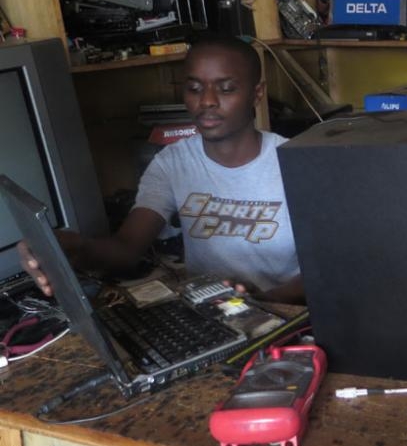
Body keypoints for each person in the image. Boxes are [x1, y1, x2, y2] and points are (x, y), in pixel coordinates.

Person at [19, 34, 303, 305]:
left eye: (226, 88)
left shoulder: (295, 162)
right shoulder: (173, 162)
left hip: (286, 319)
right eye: (194, 88)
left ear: (257, 93)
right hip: (213, 316)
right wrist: (71, 247)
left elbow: (335, 266)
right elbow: (127, 248)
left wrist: (263, 301)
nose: (206, 101)